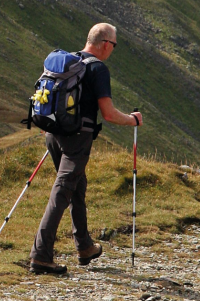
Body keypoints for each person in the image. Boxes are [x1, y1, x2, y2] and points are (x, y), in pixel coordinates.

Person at [29, 22, 143, 275]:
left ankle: (85, 247)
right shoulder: (98, 68)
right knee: (61, 193)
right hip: (77, 139)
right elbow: (109, 114)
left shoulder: (70, 61)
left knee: (76, 188)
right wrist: (132, 119)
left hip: (52, 133)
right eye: (114, 45)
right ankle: (40, 256)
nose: (113, 49)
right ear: (105, 44)